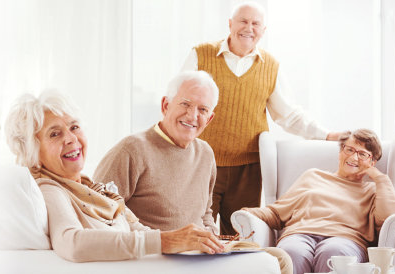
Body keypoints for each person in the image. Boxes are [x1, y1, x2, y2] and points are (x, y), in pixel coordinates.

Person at [94, 71, 293, 274]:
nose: (192, 116)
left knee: (279, 260)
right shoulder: (131, 149)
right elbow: (100, 216)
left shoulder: (205, 153)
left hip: (198, 257)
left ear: (209, 118)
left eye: (202, 109)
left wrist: (213, 239)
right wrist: (163, 241)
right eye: (185, 104)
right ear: (165, 105)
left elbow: (205, 213)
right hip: (157, 258)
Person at [181, 1, 344, 235]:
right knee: (195, 231)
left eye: (255, 23)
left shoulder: (271, 66)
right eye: (243, 21)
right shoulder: (201, 54)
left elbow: (288, 114)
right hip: (201, 160)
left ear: (263, 30)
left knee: (240, 235)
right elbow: (178, 99)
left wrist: (326, 134)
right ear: (230, 24)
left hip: (248, 169)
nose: (249, 28)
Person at [4, 91, 224, 262]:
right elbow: (72, 243)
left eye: (74, 127)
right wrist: (164, 241)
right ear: (34, 154)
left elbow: (138, 230)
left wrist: (188, 243)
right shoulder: (50, 189)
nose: (71, 139)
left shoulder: (95, 189)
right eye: (55, 134)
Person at [241, 129, 395, 274]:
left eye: (362, 154)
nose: (354, 157)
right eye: (349, 149)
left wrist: (379, 177)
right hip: (299, 234)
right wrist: (247, 213)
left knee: (334, 253)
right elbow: (277, 212)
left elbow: (390, 217)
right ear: (341, 152)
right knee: (291, 252)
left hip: (345, 239)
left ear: (372, 162)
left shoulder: (373, 190)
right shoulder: (312, 176)